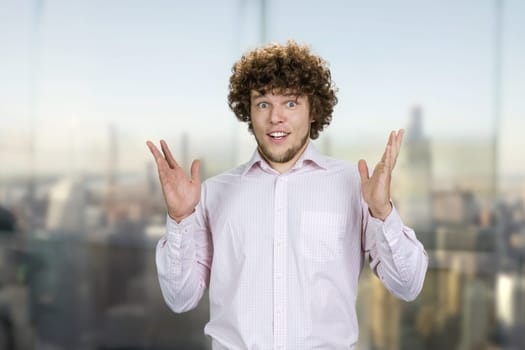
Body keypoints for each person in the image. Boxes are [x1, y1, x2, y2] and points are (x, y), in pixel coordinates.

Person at [146, 41, 428, 350]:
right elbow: (180, 298)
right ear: (248, 112)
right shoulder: (214, 193)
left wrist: (382, 211)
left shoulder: (355, 186)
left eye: (291, 103)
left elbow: (408, 285)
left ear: (313, 111)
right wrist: (180, 218)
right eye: (263, 103)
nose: (275, 117)